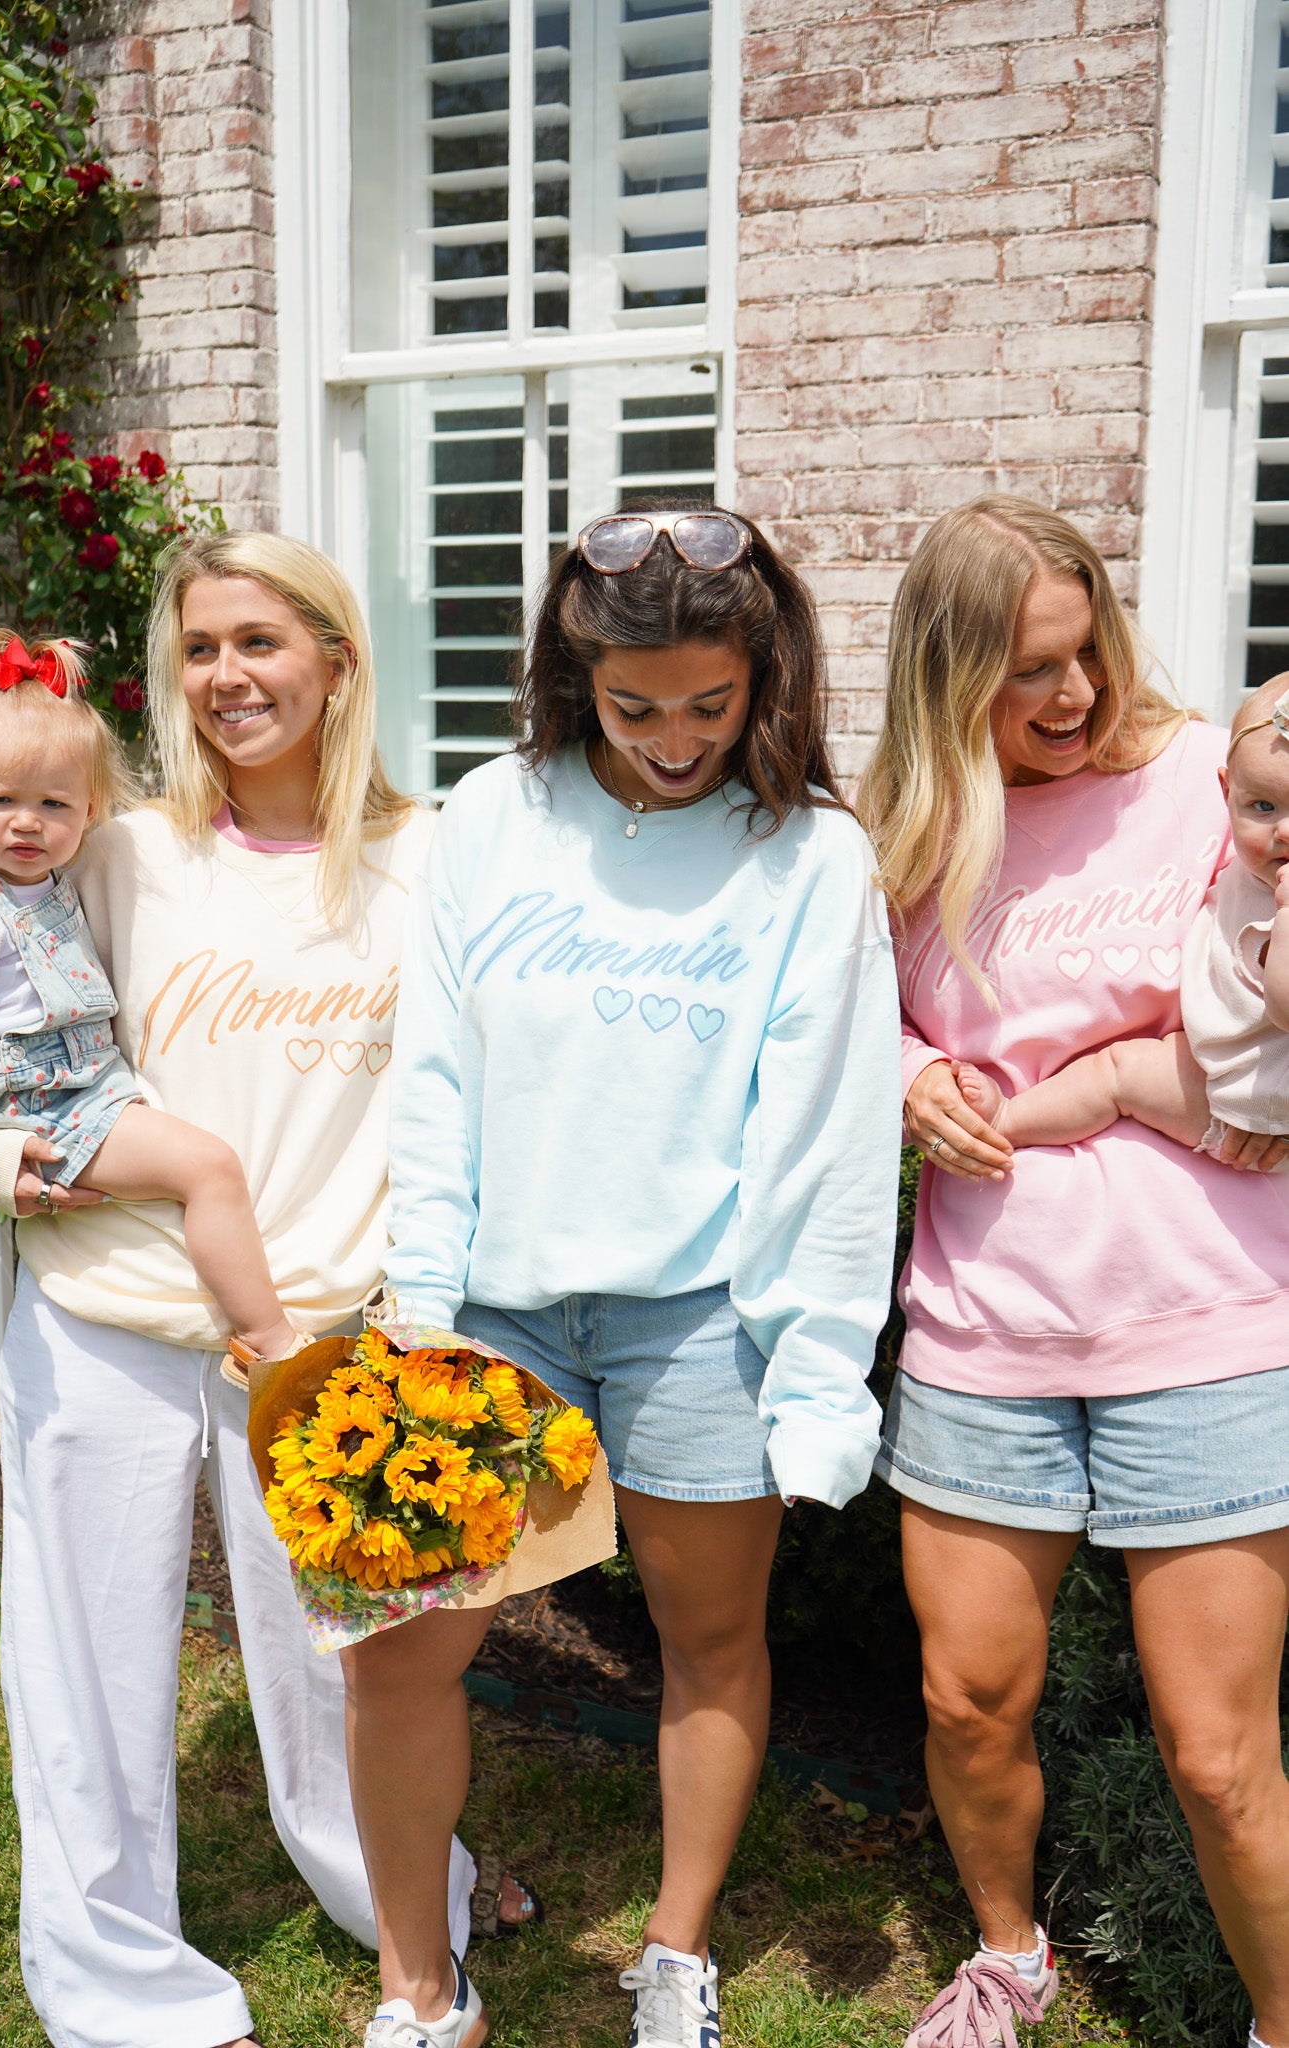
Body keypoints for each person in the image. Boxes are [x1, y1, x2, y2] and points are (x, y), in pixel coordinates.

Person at [349, 505, 903, 2048]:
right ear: (572, 680)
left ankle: (674, 1953)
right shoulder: (491, 817)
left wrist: (816, 1377)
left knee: (708, 1645)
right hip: (496, 1303)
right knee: (403, 1643)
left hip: (701, 1315)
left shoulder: (812, 856)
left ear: (766, 678)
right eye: (633, 707)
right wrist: (421, 1306)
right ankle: (419, 1986)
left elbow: (829, 1135)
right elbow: (435, 1076)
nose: (673, 740)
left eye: (709, 705)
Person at [0, 532, 507, 2048]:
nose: (226, 676)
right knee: (85, 1674)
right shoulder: (115, 852)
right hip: (103, 1310)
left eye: (260, 641)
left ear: (337, 660)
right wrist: (5, 1154)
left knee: (341, 1661)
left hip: (328, 1327)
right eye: (201, 646)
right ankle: (119, 1983)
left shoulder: (435, 859)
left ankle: (397, 1892)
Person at [857, 496, 1289, 2048]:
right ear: (947, 678)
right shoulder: (904, 834)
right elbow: (832, 1020)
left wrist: (1158, 1082)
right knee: (967, 1702)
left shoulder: (1209, 779)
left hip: (1208, 1319)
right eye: (1027, 672)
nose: (1073, 695)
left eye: (1085, 651)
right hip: (984, 1324)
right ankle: (1009, 1953)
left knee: (1216, 1754)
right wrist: (910, 1073)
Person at [0, 630, 301, 1365]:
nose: (27, 821)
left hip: (84, 1082)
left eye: (53, 803)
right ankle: (269, 1338)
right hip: (42, 1101)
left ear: (90, 808)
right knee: (209, 1168)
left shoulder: (53, 878)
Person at [953, 672, 1289, 1170]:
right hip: (1231, 1070)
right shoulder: (1250, 867)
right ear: (1226, 792)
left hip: (1254, 1110)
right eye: (1262, 806)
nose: (1284, 830)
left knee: (1118, 1074)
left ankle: (1007, 1119)